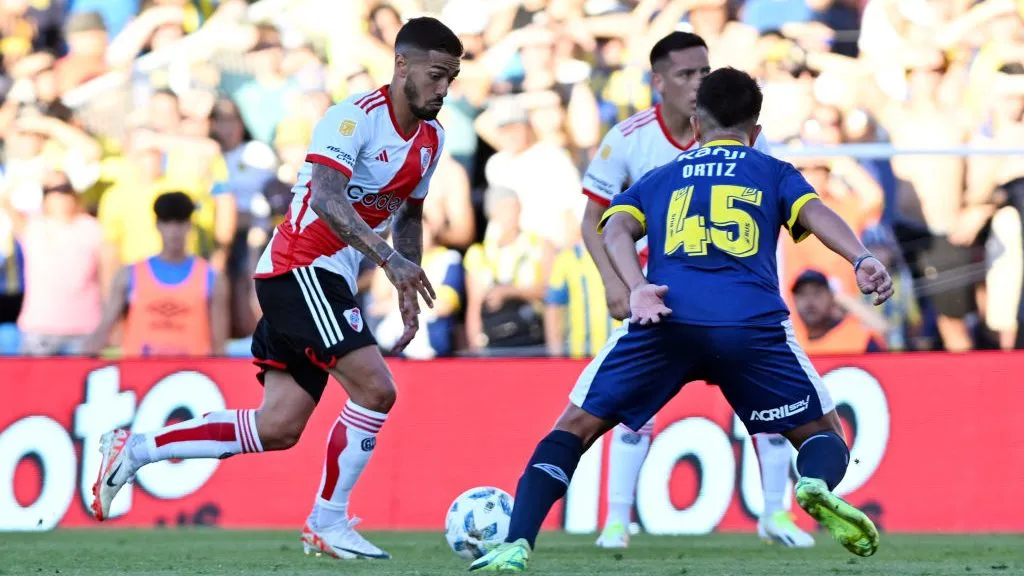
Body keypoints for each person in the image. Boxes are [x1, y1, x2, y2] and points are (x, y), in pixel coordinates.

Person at [471, 67, 891, 572]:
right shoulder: (772, 171)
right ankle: (814, 484)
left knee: (574, 428)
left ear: (696, 127)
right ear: (755, 132)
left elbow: (616, 230)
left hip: (668, 317)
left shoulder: (662, 177)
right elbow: (816, 212)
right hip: (749, 324)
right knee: (824, 434)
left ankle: (517, 544)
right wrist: (861, 257)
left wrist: (636, 286)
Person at [89, 17, 462, 561]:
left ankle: (136, 449)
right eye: (435, 75)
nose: (443, 89)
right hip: (298, 268)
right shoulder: (353, 119)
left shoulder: (431, 139)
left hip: (327, 280)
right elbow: (330, 200)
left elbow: (411, 212)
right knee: (378, 391)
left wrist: (406, 280)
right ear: (401, 64)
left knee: (278, 427)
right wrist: (387, 259)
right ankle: (327, 521)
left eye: (451, 78)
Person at [578, 31, 812, 548]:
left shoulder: (747, 136)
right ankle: (618, 518)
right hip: (657, 297)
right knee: (634, 406)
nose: (697, 82)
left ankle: (776, 514)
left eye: (703, 72)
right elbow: (594, 220)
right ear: (657, 81)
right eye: (685, 74)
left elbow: (774, 210)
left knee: (766, 405)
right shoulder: (628, 138)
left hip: (739, 294)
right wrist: (618, 285)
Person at [83, 192, 229, 357]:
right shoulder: (129, 276)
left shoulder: (211, 278)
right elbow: (103, 330)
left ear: (189, 225)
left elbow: (219, 346)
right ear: (158, 225)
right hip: (140, 377)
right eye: (167, 222)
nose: (174, 231)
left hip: (192, 377)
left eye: (180, 222)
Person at [790, 269, 887, 355]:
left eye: (817, 293)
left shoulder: (858, 340)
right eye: (802, 294)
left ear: (832, 297)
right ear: (794, 299)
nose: (810, 300)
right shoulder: (788, 343)